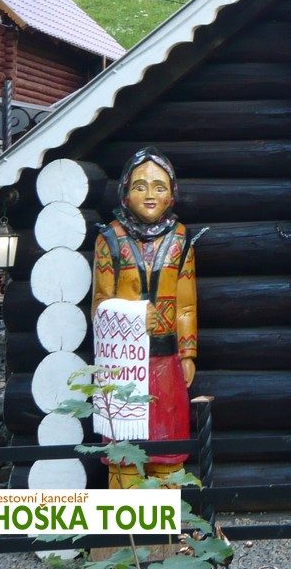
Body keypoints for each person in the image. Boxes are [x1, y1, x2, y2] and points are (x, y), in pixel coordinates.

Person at [92, 148, 198, 488]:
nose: (150, 194)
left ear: (171, 193)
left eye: (159, 186)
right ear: (125, 192)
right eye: (140, 186)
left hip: (166, 360)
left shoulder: (180, 239)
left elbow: (185, 304)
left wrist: (188, 352)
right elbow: (100, 304)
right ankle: (128, 514)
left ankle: (165, 515)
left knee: (168, 447)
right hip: (122, 363)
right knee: (123, 452)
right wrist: (135, 315)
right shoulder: (110, 239)